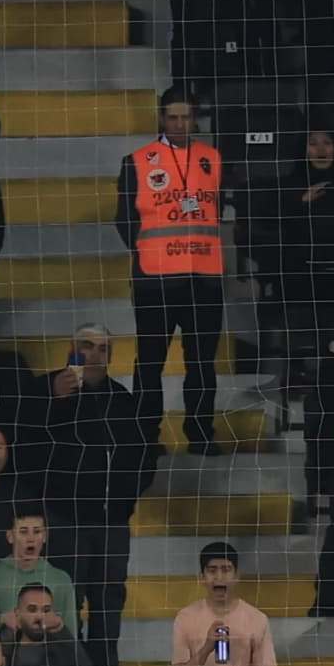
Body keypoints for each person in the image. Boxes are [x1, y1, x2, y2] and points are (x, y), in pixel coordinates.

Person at [117, 86, 229, 443]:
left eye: (186, 116)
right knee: (150, 364)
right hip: (155, 279)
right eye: (172, 116)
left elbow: (217, 210)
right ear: (161, 118)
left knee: (201, 365)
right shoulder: (136, 161)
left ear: (195, 118)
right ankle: (145, 437)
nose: (179, 124)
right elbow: (124, 220)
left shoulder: (213, 158)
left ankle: (200, 433)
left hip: (204, 278)